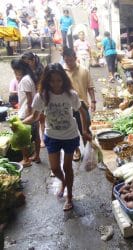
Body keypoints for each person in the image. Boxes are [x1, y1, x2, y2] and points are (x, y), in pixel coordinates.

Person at [23, 63, 92, 211]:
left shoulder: (70, 94)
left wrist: (85, 130)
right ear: (46, 80)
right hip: (52, 136)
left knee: (67, 167)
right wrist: (19, 123)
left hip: (70, 136)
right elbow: (34, 117)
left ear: (64, 80)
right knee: (54, 168)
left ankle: (69, 197)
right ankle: (63, 182)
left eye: (59, 80)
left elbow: (83, 112)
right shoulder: (42, 96)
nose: (56, 84)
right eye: (52, 81)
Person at [63, 48, 96, 161]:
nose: (69, 63)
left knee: (85, 129)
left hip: (83, 105)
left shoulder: (84, 70)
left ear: (75, 58)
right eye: (66, 60)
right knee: (71, 131)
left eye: (70, 60)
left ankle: (88, 150)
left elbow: (90, 87)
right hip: (67, 106)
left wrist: (93, 101)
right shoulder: (62, 72)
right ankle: (76, 150)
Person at [11, 59, 40, 167]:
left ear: (19, 69)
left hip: (26, 112)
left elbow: (29, 100)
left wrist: (28, 114)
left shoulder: (25, 80)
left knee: (22, 136)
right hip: (33, 112)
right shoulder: (30, 77)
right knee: (36, 135)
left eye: (15, 70)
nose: (15, 73)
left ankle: (26, 159)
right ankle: (36, 156)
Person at [22, 52, 45, 148]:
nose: (27, 64)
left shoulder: (40, 69)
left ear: (33, 60)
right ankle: (36, 139)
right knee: (35, 118)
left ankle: (42, 138)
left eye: (28, 62)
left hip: (40, 95)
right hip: (32, 95)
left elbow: (42, 83)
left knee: (41, 118)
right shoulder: (26, 71)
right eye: (25, 63)